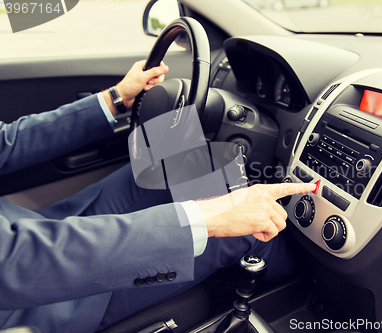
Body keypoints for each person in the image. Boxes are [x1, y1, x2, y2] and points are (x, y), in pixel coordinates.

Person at [0, 60, 315, 332]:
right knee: (241, 230)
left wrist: (115, 98)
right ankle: (312, 293)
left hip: (31, 230)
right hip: (34, 297)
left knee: (188, 165)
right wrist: (210, 217)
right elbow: (16, 262)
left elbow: (5, 143)